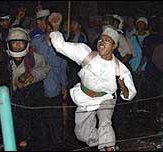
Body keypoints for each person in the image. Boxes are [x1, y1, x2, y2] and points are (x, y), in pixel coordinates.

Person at [48, 12, 137, 151]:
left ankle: (109, 147)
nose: (102, 42)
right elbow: (61, 46)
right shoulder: (86, 54)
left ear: (114, 46)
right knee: (82, 135)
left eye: (107, 40)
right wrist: (55, 28)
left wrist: (123, 87)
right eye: (101, 39)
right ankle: (103, 143)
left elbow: (130, 93)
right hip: (85, 98)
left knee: (105, 123)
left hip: (106, 98)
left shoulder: (120, 68)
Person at [6, 27, 50, 148]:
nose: (18, 45)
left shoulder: (35, 57)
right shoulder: (4, 60)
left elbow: (46, 69)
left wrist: (32, 75)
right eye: (14, 42)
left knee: (34, 125)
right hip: (9, 99)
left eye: (21, 42)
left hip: (30, 99)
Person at [31, 11, 68, 150]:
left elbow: (63, 65)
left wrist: (64, 85)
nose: (51, 27)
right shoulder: (36, 41)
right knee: (40, 119)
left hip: (54, 85)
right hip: (38, 84)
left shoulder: (62, 42)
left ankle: (57, 144)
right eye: (49, 24)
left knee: (55, 119)